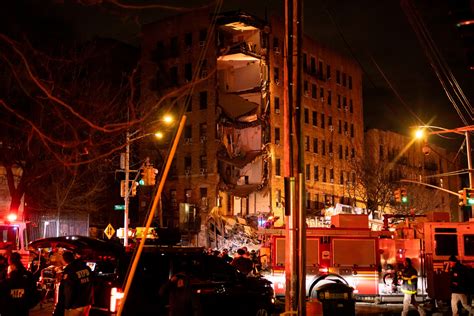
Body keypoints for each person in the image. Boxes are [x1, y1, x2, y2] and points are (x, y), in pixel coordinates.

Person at [56, 251, 94, 316]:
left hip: (75, 305)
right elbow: (92, 282)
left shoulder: (70, 270)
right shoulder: (86, 267)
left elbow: (68, 289)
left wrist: (67, 305)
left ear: (64, 260)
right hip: (87, 302)